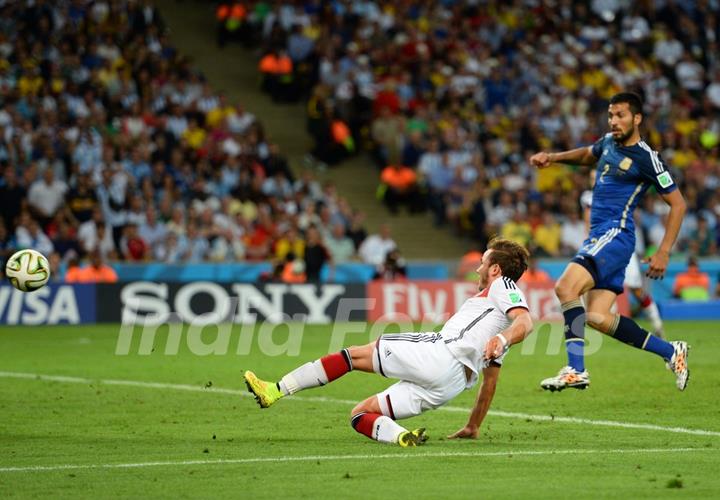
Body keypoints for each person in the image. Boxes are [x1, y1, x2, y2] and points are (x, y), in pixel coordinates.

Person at [244, 238, 534, 447]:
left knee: (351, 356)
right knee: (360, 415)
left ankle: (276, 389)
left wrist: (502, 337)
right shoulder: (495, 329)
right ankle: (400, 437)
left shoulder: (503, 287)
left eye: (483, 263)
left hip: (440, 354)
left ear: (496, 269)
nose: (478, 269)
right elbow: (490, 383)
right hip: (450, 386)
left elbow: (526, 321)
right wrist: (473, 425)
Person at [529, 92, 689, 391]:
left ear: (637, 119)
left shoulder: (647, 159)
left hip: (615, 233)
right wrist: (554, 157)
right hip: (601, 235)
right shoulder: (607, 143)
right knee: (597, 317)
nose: (614, 122)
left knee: (566, 287)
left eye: (621, 116)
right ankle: (671, 351)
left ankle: (576, 369)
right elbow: (587, 154)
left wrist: (664, 252)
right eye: (611, 116)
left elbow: (678, 204)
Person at [581, 169, 664, 337]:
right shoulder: (588, 197)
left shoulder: (614, 193)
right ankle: (590, 321)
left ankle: (657, 324)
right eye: (591, 177)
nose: (593, 180)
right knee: (587, 284)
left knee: (636, 289)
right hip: (599, 248)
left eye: (595, 176)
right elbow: (587, 221)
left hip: (620, 247)